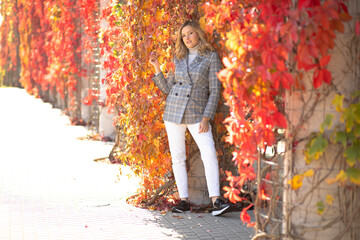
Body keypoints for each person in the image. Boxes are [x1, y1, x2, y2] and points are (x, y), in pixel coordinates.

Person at [149, 20, 230, 216]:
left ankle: (216, 200)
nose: (187, 38)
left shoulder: (211, 58)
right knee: (178, 158)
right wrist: (156, 66)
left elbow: (215, 91)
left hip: (197, 115)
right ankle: (183, 200)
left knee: (209, 152)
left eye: (190, 33)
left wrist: (206, 118)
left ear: (198, 34)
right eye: (183, 36)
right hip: (173, 112)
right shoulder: (178, 58)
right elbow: (168, 88)